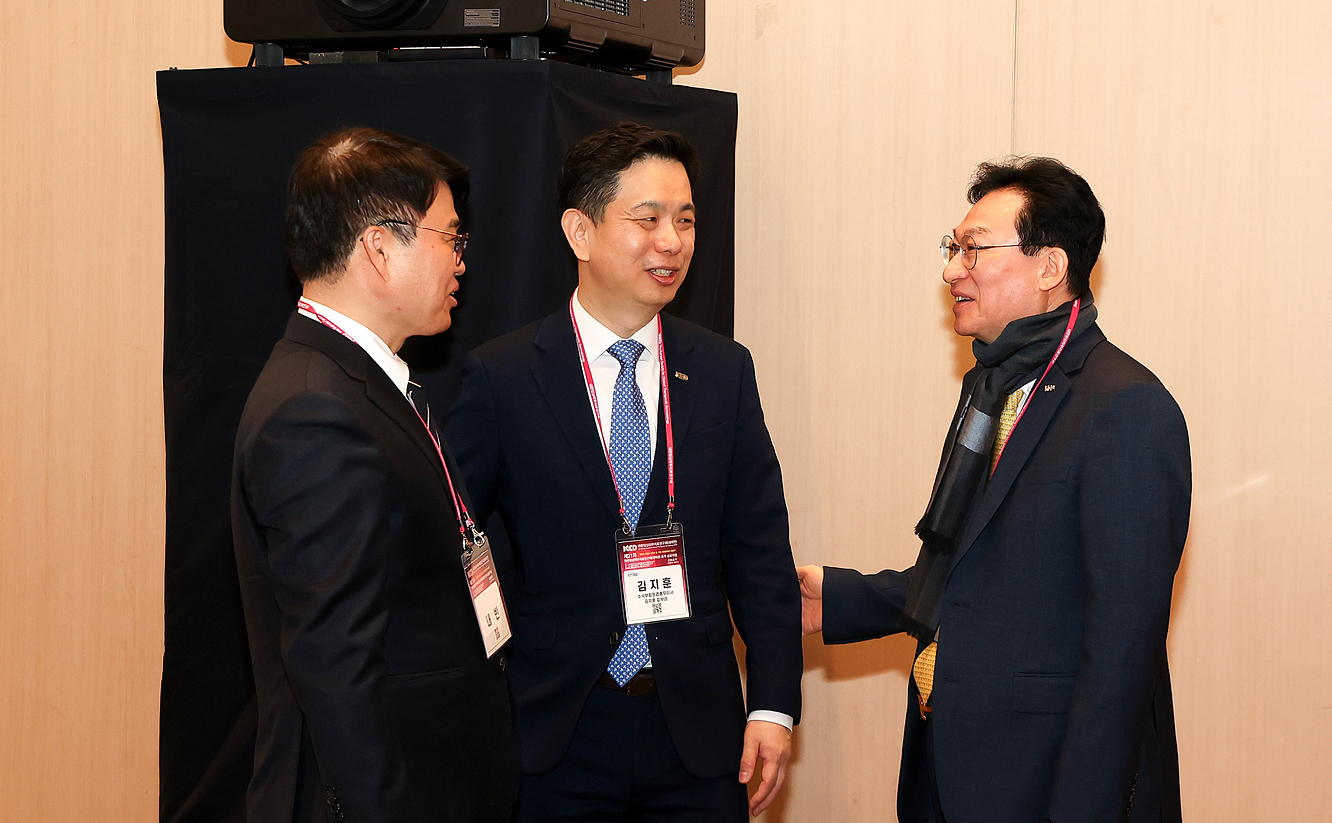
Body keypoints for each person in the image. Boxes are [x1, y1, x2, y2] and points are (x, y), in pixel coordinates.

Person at [798, 157, 1190, 823]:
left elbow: (1122, 655)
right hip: (954, 770)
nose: (952, 270)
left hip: (1046, 784)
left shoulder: (1125, 407)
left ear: (1049, 267)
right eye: (952, 248)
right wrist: (841, 599)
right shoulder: (992, 389)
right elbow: (977, 574)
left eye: (973, 249)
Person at [445, 122, 803, 822]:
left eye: (686, 220)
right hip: (556, 730)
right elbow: (456, 547)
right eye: (648, 219)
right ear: (579, 231)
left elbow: (759, 550)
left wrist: (772, 704)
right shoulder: (504, 376)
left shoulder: (724, 371)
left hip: (697, 735)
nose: (672, 241)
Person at [231, 126, 518, 823]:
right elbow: (339, 673)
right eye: (451, 237)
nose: (461, 261)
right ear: (380, 249)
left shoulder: (357, 381)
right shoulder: (313, 410)